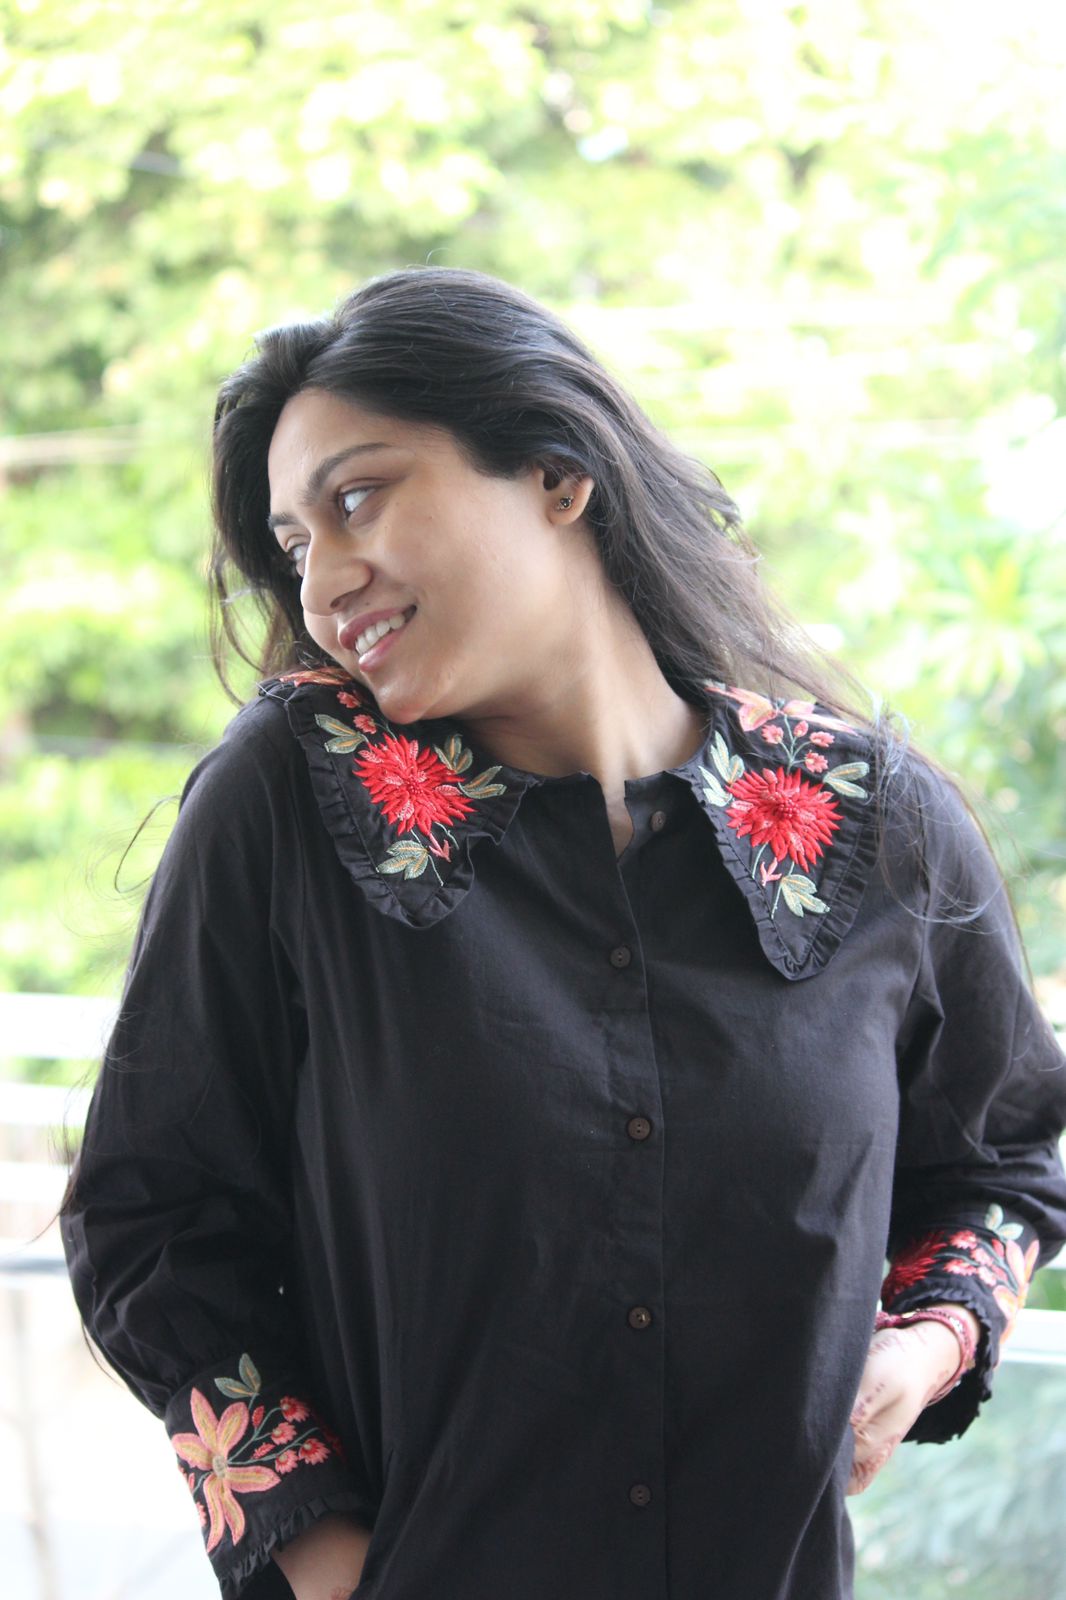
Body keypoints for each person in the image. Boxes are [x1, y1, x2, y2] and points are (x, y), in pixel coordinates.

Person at [61, 266, 1066, 1600]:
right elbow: (151, 1218)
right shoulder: (288, 805)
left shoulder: (876, 822)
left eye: (356, 497)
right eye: (294, 546)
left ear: (555, 472)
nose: (323, 582)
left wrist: (923, 1344)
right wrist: (321, 1559)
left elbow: (1003, 1158)